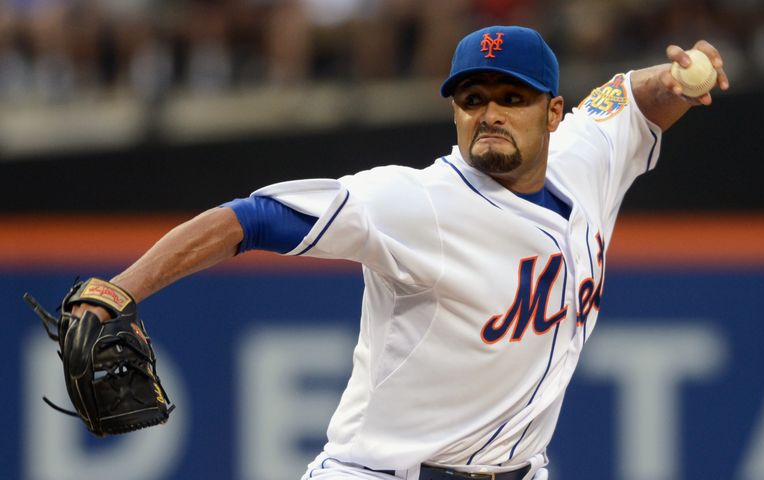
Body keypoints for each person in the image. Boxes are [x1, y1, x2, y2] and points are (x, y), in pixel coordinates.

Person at [71, 25, 729, 480]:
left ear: (554, 113)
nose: (490, 112)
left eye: (512, 97)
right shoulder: (416, 203)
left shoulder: (587, 155)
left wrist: (675, 79)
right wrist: (120, 288)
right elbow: (252, 218)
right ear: (454, 114)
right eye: (473, 99)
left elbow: (631, 101)